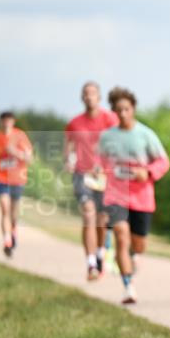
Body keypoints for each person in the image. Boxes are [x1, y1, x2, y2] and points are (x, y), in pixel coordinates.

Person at [98, 87, 170, 305]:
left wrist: (147, 172)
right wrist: (97, 172)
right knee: (121, 234)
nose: (122, 114)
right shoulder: (107, 137)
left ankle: (135, 256)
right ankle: (128, 287)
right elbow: (99, 163)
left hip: (142, 196)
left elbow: (163, 162)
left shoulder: (146, 135)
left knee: (139, 244)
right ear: (113, 111)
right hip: (116, 194)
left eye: (126, 109)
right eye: (118, 110)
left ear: (133, 109)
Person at [64, 81, 119, 280]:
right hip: (82, 174)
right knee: (88, 214)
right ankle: (90, 264)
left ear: (99, 96)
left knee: (102, 220)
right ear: (82, 97)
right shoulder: (74, 123)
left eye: (93, 93)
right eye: (85, 93)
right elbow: (68, 146)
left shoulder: (110, 119)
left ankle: (99, 254)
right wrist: (69, 161)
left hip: (105, 176)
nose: (89, 97)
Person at [0, 112, 34, 257]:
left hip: (17, 179)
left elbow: (29, 158)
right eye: (4, 120)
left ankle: (13, 230)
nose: (6, 123)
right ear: (0, 121)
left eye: (9, 120)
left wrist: (15, 152)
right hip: (1, 178)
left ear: (13, 122)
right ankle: (7, 240)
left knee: (14, 213)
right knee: (4, 209)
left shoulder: (20, 136)